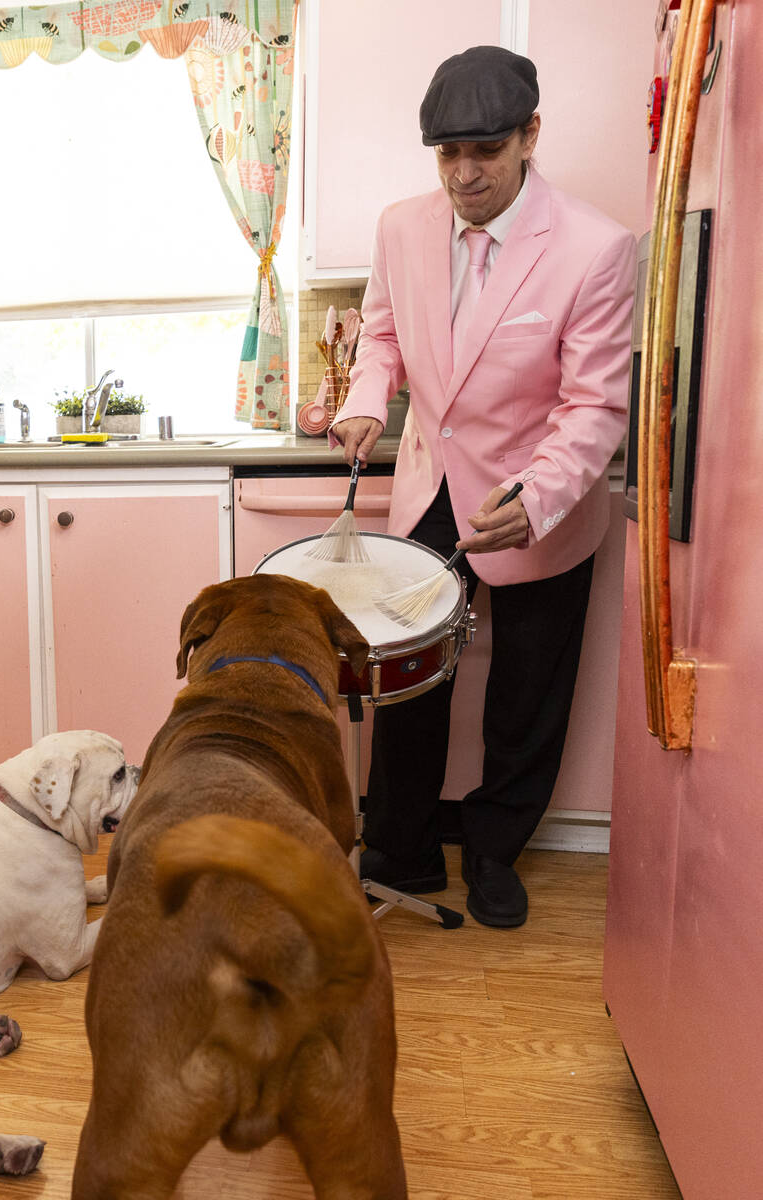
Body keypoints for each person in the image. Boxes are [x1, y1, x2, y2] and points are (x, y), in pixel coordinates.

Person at [329, 45, 636, 927]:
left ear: (529, 136)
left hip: (540, 499)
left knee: (527, 694)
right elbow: (380, 338)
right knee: (409, 681)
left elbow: (593, 406)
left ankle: (496, 852)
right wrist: (361, 401)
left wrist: (536, 497)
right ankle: (401, 849)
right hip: (429, 486)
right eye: (446, 156)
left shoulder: (594, 248)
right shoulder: (399, 226)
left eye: (485, 153)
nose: (464, 175)